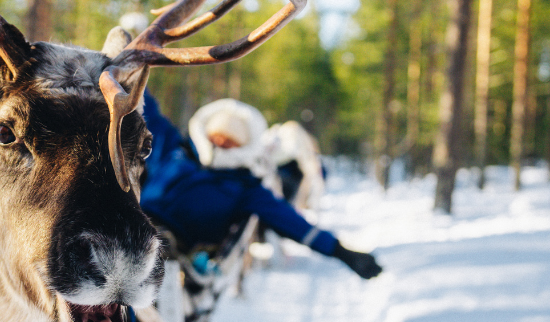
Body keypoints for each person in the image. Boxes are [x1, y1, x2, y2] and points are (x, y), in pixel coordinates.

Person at [140, 93, 381, 279]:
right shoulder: (173, 148)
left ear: (243, 146)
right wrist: (128, 63)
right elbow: (145, 105)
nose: (220, 145)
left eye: (230, 141)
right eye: (216, 137)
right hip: (136, 221)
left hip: (177, 244)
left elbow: (291, 222)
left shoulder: (245, 186)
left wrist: (341, 252)